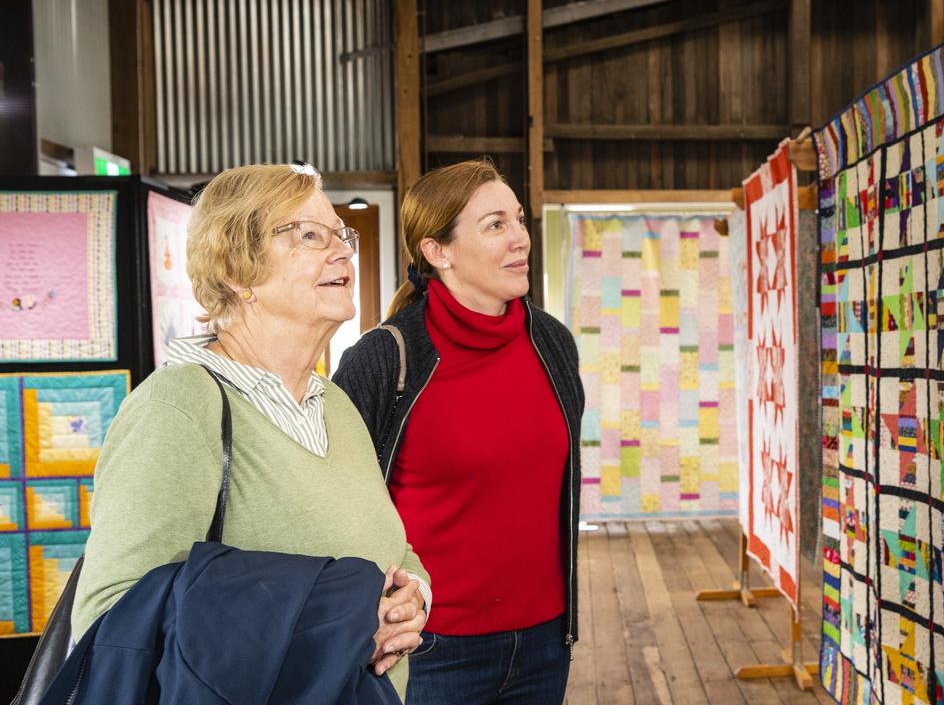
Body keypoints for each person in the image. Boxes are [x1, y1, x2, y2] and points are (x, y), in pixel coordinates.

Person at [73, 163, 430, 698]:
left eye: (340, 234)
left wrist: (412, 598)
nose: (342, 252)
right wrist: (337, 620)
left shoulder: (334, 404)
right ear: (236, 271)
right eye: (310, 235)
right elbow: (112, 623)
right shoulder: (177, 409)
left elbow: (392, 549)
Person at [333, 159, 583, 704]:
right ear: (437, 251)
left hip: (545, 644)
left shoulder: (554, 346)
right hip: (429, 652)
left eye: (518, 219)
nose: (520, 238)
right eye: (495, 225)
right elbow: (338, 505)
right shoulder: (384, 359)